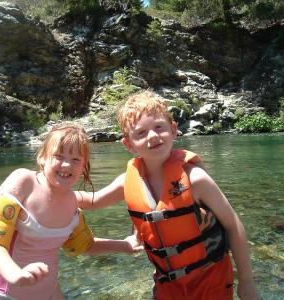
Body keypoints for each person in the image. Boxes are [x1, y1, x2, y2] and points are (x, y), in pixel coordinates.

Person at [77, 91, 259, 300]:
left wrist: (246, 281)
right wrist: (47, 189)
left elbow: (233, 225)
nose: (152, 136)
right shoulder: (126, 181)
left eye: (159, 127)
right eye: (141, 133)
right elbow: (91, 201)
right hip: (167, 285)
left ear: (173, 130)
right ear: (128, 144)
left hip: (210, 280)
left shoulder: (195, 179)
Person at [0, 122, 142, 300]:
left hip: (51, 292)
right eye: (59, 156)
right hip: (10, 293)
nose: (66, 165)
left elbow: (83, 246)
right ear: (43, 157)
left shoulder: (72, 202)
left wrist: (125, 245)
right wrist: (15, 274)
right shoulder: (24, 181)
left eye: (76, 160)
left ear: (83, 167)